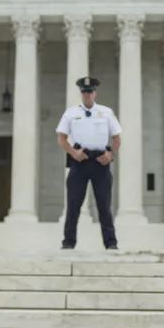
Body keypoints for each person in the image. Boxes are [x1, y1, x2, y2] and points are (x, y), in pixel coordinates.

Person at [56, 76, 121, 250]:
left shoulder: (106, 112)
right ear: (81, 93)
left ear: (95, 93)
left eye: (90, 91)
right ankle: (68, 242)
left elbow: (117, 138)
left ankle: (111, 243)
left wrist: (110, 155)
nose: (87, 94)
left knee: (104, 206)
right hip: (80, 161)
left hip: (101, 162)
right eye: (84, 91)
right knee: (73, 205)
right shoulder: (71, 113)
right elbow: (61, 139)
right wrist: (73, 153)